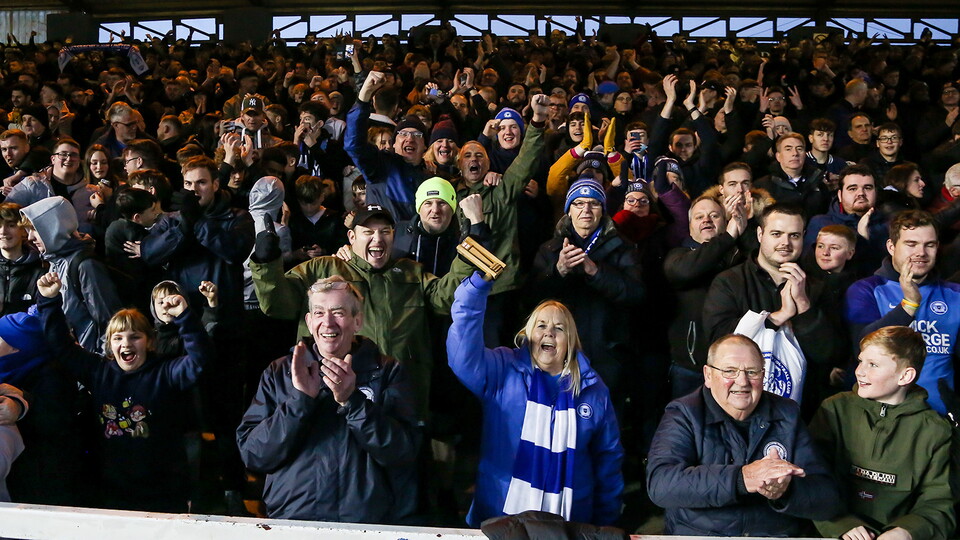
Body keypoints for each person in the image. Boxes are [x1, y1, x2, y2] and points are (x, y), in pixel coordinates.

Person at [446, 271, 623, 527]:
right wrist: (474, 291)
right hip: (500, 518)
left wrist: (606, 522)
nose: (549, 332)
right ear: (528, 335)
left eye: (559, 328)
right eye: (541, 326)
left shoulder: (593, 389)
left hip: (571, 522)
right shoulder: (503, 369)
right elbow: (463, 355)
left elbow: (608, 459)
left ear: (571, 342)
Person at [237, 276, 419, 522]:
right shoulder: (280, 372)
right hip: (295, 518)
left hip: (365, 521)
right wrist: (300, 401)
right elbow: (255, 455)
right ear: (309, 321)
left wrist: (352, 402)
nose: (328, 322)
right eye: (319, 313)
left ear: (357, 321)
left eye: (338, 312)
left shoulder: (387, 371)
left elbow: (402, 452)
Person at [35, 270, 212, 513]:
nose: (126, 344)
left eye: (135, 337)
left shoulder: (166, 372)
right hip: (111, 492)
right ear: (109, 344)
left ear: (149, 342)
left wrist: (184, 317)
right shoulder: (99, 371)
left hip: (164, 492)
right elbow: (61, 346)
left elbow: (200, 359)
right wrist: (48, 300)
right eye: (118, 338)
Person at [646, 334, 841, 536]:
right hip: (702, 533)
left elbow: (827, 498)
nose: (742, 381)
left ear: (763, 375)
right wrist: (742, 478)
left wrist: (785, 491)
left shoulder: (787, 414)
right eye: (729, 371)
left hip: (773, 534)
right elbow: (661, 485)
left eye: (752, 372)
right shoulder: (684, 414)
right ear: (708, 375)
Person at [811, 327, 955, 540]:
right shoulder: (834, 410)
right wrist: (840, 524)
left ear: (905, 376)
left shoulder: (935, 430)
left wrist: (907, 531)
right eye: (860, 361)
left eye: (873, 364)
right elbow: (811, 478)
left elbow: (940, 501)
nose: (859, 371)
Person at [845, 210, 960, 416]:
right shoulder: (866, 290)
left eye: (929, 245)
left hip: (941, 417)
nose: (921, 252)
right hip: (880, 417)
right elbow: (862, 347)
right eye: (911, 244)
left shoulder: (955, 295)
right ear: (891, 246)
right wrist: (908, 306)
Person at [703, 203, 836, 366]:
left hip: (804, 382)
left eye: (794, 236)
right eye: (776, 234)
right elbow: (717, 341)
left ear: (803, 237)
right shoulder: (729, 281)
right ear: (760, 234)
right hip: (744, 379)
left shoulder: (818, 285)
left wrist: (802, 304)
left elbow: (828, 355)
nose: (785, 243)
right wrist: (778, 316)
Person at [665, 194, 748, 398]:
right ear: (690, 226)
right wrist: (727, 238)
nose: (706, 220)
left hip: (737, 367)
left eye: (714, 215)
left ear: (726, 222)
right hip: (690, 367)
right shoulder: (677, 256)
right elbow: (685, 272)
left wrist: (740, 233)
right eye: (699, 217)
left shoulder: (741, 256)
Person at [20, 196, 120, 353]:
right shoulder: (54, 262)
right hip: (74, 359)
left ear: (54, 228)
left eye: (35, 229)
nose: (30, 237)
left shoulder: (85, 265)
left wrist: (102, 362)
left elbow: (109, 320)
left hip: (90, 359)